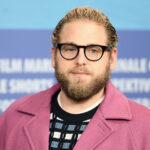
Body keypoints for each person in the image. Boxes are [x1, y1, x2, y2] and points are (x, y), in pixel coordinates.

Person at [0, 6, 150, 150]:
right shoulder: (13, 117)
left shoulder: (145, 125)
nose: (80, 60)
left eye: (93, 50)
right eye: (70, 49)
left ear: (112, 59)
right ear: (54, 56)